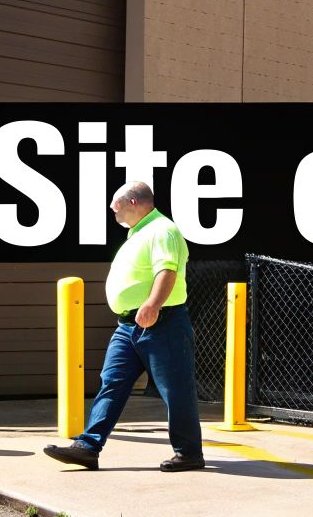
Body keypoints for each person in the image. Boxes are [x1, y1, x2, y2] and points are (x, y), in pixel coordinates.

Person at [43, 181, 204, 472]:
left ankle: (189, 453)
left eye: (115, 202)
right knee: (112, 382)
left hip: (161, 322)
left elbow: (167, 270)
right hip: (128, 326)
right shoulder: (139, 233)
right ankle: (88, 447)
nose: (111, 208)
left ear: (133, 202)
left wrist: (153, 304)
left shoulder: (162, 230)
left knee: (175, 389)